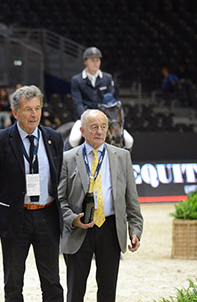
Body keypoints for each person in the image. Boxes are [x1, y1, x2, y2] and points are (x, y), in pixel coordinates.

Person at [0, 85, 64, 302]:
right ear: (15, 112)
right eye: (28, 109)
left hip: (47, 216)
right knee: (13, 283)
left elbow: (60, 179)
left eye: (37, 108)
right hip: (14, 218)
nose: (34, 114)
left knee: (52, 282)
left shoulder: (54, 138)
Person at [57, 109, 143, 302]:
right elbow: (59, 199)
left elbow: (132, 199)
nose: (99, 131)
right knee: (75, 291)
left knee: (107, 290)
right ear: (82, 130)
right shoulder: (67, 158)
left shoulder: (122, 157)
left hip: (110, 229)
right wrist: (72, 219)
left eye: (103, 127)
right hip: (79, 229)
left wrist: (135, 229)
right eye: (94, 127)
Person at [69, 47, 132, 149]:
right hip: (84, 118)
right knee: (74, 139)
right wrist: (88, 118)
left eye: (97, 60)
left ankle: (124, 164)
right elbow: (78, 103)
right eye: (92, 60)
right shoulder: (77, 80)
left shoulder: (107, 78)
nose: (95, 63)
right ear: (85, 61)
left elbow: (111, 102)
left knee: (129, 141)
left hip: (105, 119)